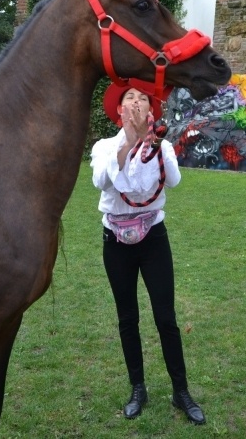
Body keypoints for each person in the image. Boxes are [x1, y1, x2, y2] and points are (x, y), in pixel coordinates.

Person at [90, 81, 206, 425]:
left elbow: (173, 181)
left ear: (151, 110)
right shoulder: (105, 146)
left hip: (154, 238)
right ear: (120, 109)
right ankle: (137, 388)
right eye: (130, 98)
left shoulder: (162, 144)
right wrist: (128, 141)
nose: (137, 103)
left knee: (166, 317)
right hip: (116, 240)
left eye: (143, 98)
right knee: (128, 318)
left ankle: (180, 391)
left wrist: (153, 144)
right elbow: (100, 181)